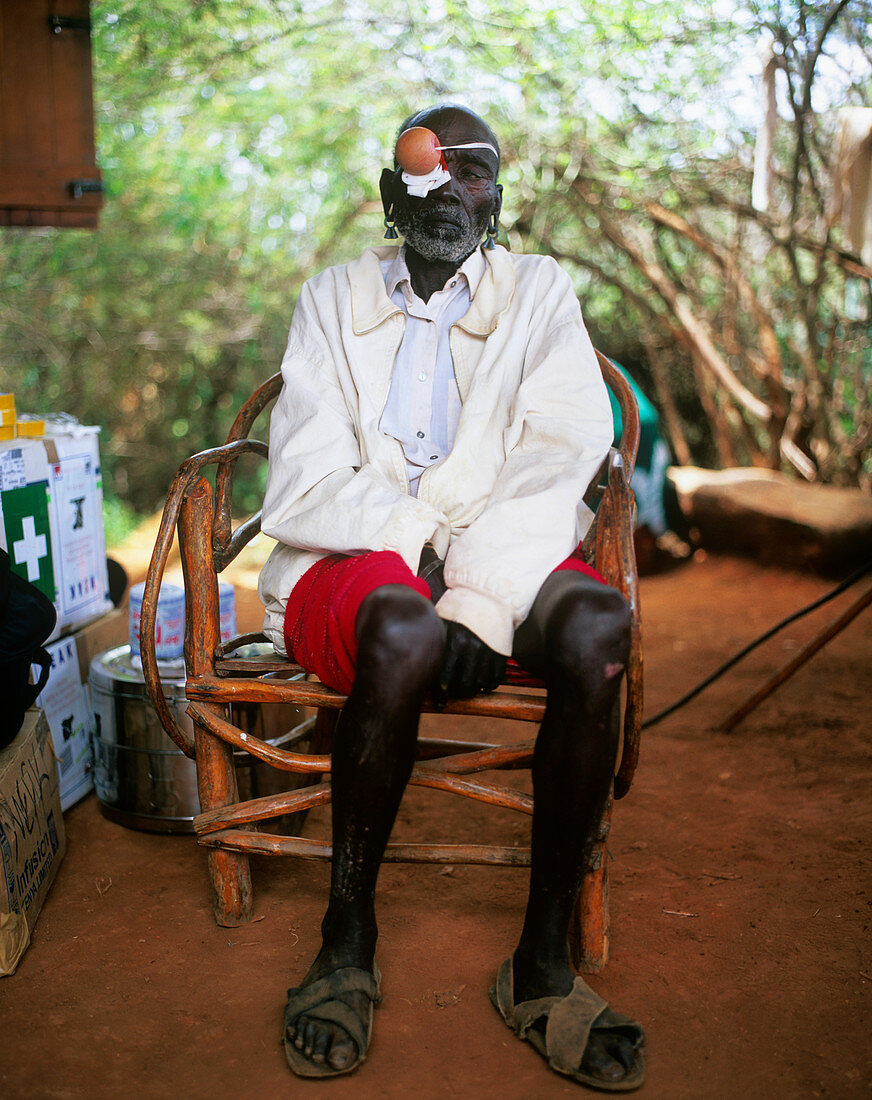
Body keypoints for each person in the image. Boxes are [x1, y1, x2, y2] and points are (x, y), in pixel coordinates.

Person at [258, 104, 645, 1091]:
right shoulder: (329, 298)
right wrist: (432, 554)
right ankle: (347, 934)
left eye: (469, 172)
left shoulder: (538, 292)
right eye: (423, 175)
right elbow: (304, 480)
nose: (446, 191)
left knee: (600, 623)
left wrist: (478, 591)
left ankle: (538, 965)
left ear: (495, 196)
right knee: (398, 626)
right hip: (353, 555)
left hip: (501, 556)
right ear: (391, 196)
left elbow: (559, 451)